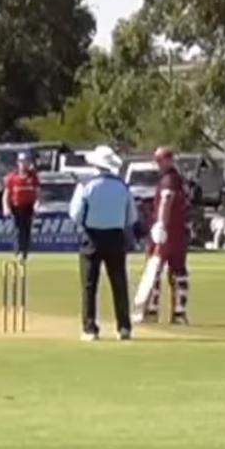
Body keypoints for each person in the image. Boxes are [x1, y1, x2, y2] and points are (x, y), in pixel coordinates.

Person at [68, 145, 137, 341]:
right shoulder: (122, 186)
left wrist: (86, 223)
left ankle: (90, 329)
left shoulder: (86, 185)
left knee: (89, 285)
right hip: (115, 237)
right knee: (119, 283)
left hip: (92, 237)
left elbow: (75, 214)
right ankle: (124, 327)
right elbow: (131, 216)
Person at [132, 147, 191, 325]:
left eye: (160, 160)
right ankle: (179, 313)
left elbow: (166, 201)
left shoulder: (168, 180)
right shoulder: (178, 179)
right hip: (179, 233)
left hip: (166, 234)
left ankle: (151, 311)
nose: (158, 164)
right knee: (179, 271)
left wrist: (160, 225)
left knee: (155, 270)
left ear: (168, 160)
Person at [2, 152, 40, 262]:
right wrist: (6, 207)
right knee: (18, 230)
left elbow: (37, 193)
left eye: (27, 162)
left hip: (28, 207)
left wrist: (37, 203)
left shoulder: (33, 177)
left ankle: (25, 253)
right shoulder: (12, 177)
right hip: (16, 207)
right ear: (18, 163)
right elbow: (6, 194)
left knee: (27, 230)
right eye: (22, 162)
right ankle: (18, 252)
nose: (24, 164)